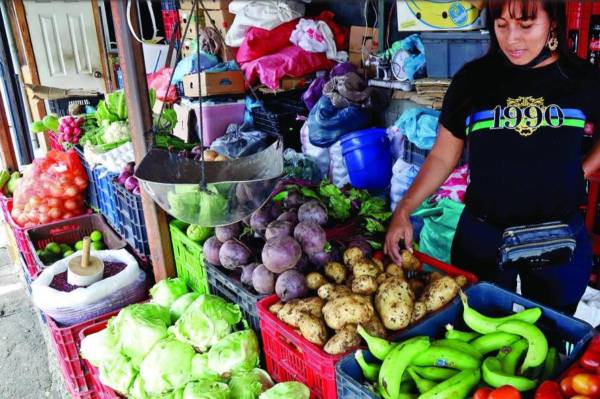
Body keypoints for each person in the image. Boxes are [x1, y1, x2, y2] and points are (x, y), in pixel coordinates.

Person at [385, 0, 600, 315]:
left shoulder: (581, 79)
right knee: (477, 325)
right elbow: (443, 155)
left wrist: (581, 170)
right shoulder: (474, 80)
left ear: (552, 21)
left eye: (526, 25)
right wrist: (404, 209)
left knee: (550, 335)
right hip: (483, 235)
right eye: (502, 25)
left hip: (558, 237)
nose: (512, 39)